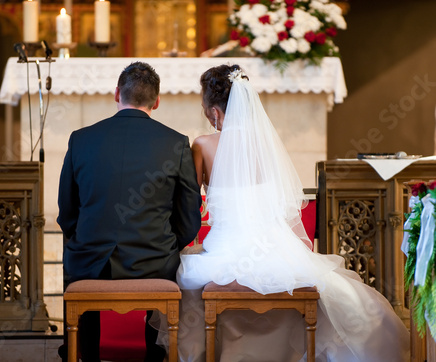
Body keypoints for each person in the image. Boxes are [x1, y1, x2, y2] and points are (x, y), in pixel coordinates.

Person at [154, 64, 410, 361]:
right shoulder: (266, 145)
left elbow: (191, 204)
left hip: (226, 248)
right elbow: (282, 203)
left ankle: (218, 352)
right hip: (275, 245)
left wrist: (185, 241)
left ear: (213, 111)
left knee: (185, 276)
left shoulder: (202, 144)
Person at [57, 61, 202, 362]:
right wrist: (164, 243)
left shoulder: (81, 139)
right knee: (170, 264)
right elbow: (189, 217)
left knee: (76, 260)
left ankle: (84, 352)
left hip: (90, 261)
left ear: (116, 94)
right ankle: (156, 353)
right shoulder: (176, 143)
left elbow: (66, 210)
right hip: (153, 261)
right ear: (157, 101)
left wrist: (85, 238)